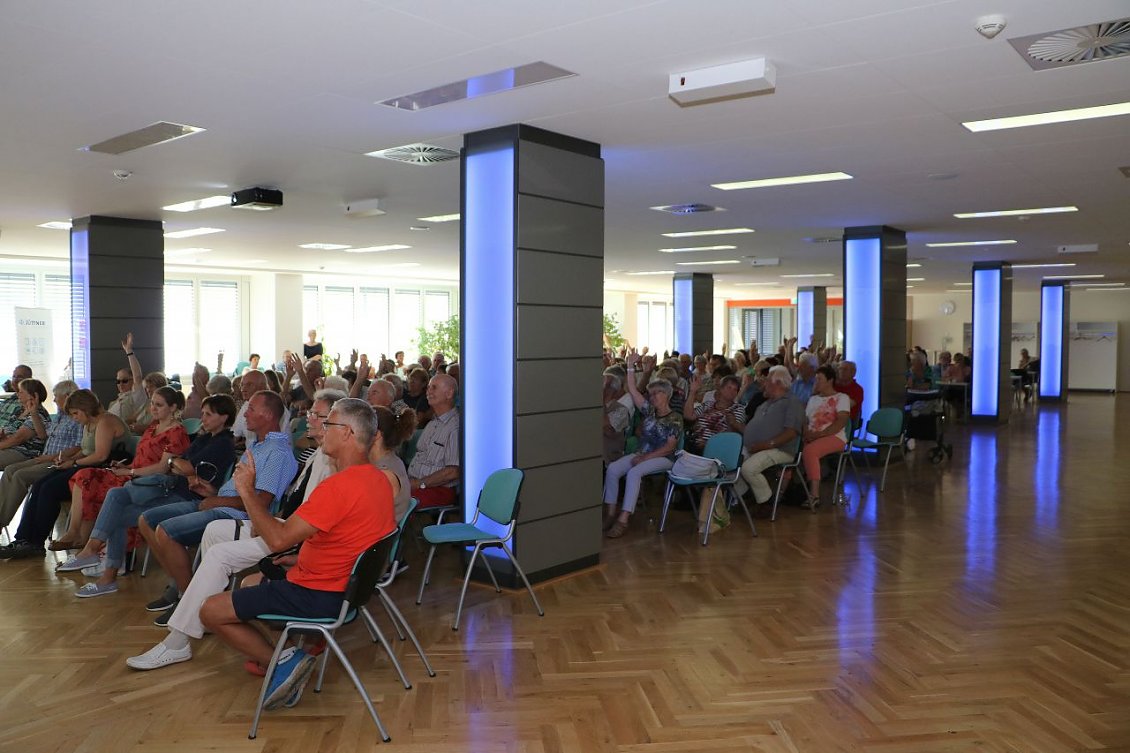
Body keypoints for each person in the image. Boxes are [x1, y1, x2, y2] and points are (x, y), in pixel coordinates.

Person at [197, 398, 396, 710]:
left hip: (318, 593)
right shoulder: (379, 479)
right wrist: (303, 558)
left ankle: (283, 662)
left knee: (210, 610)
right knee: (251, 583)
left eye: (327, 423)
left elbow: (276, 539)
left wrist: (247, 492)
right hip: (346, 588)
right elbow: (351, 540)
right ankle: (287, 655)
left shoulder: (337, 487)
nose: (318, 428)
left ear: (345, 433)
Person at [57, 394, 238, 596]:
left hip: (187, 497)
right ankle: (97, 559)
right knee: (116, 496)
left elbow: (181, 466)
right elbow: (176, 465)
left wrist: (175, 465)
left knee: (114, 501)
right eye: (202, 413)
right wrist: (176, 465)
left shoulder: (221, 444)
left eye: (209, 414)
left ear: (224, 418)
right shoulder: (204, 439)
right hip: (172, 488)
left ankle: (102, 568)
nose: (203, 418)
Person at [138, 391, 298, 600]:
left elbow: (260, 503)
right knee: (147, 520)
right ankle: (180, 584)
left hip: (237, 516)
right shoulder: (258, 445)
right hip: (219, 503)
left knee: (165, 531)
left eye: (250, 409)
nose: (244, 415)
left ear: (268, 415)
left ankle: (189, 598)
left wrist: (217, 501)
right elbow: (240, 488)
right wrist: (212, 492)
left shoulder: (277, 452)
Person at [51, 386, 191, 550]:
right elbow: (142, 459)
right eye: (152, 403)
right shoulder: (153, 427)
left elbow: (162, 468)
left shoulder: (176, 433)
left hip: (151, 481)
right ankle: (78, 534)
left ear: (173, 407)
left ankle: (82, 537)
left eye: (158, 405)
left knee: (89, 481)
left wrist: (130, 471)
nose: (153, 408)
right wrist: (126, 466)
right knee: (84, 476)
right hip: (134, 473)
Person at [0, 390, 129, 559]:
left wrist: (73, 463)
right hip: (88, 467)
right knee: (40, 485)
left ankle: (35, 542)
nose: (74, 418)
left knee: (49, 489)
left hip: (103, 471)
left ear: (86, 408)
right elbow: (85, 451)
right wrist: (68, 460)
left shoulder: (105, 421)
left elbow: (100, 455)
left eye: (76, 413)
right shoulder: (90, 424)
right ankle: (23, 538)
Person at [602, 349, 682, 539]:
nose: (652, 397)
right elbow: (633, 389)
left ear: (667, 395)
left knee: (634, 472)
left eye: (657, 393)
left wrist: (645, 458)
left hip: (664, 457)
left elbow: (670, 447)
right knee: (613, 469)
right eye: (652, 394)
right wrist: (630, 365)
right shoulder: (649, 411)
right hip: (643, 453)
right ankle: (610, 513)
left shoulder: (675, 418)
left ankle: (623, 519)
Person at [0, 380, 82, 529]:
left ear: (68, 396)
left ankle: (2, 521)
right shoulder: (61, 417)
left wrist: (51, 457)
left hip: (56, 461)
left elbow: (79, 447)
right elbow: (43, 435)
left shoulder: (77, 419)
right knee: (10, 470)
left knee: (19, 476)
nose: (54, 400)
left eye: (57, 396)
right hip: (44, 457)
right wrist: (33, 412)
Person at [738, 366, 804, 513]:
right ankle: (744, 498)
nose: (762, 383)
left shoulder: (792, 403)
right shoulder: (765, 403)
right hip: (757, 447)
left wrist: (766, 445)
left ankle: (767, 502)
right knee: (733, 464)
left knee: (748, 468)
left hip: (781, 449)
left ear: (778, 383)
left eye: (767, 380)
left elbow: (791, 432)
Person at [801, 366, 851, 509]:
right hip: (812, 437)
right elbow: (805, 420)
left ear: (830, 380)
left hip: (834, 437)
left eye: (819, 379)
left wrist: (819, 435)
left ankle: (814, 495)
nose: (816, 382)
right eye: (816, 379)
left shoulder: (842, 398)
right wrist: (806, 432)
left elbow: (841, 422)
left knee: (810, 451)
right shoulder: (813, 399)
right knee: (793, 450)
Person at [407, 373, 460, 509]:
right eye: (429, 387)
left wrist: (419, 483)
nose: (428, 391)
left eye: (434, 388)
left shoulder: (455, 426)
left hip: (437, 490)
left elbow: (453, 472)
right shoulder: (433, 423)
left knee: (393, 501)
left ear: (449, 394)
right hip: (416, 484)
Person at [683, 374, 745, 454]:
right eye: (729, 388)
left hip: (716, 449)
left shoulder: (738, 409)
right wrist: (692, 392)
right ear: (721, 389)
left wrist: (709, 444)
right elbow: (688, 416)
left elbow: (732, 435)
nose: (732, 392)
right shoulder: (708, 404)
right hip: (694, 443)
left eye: (735, 390)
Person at [0, 378, 50, 470]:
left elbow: (18, 439)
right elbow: (10, 433)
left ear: (33, 395)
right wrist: (4, 437)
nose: (18, 394)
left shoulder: (38, 414)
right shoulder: (19, 410)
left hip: (23, 452)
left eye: (21, 392)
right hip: (9, 447)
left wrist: (3, 443)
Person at [0, 365, 34, 439]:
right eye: (13, 377)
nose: (15, 380)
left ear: (29, 380)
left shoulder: (31, 405)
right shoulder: (8, 401)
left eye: (20, 377)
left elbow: (16, 435)